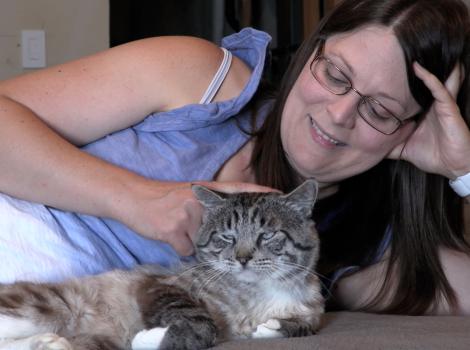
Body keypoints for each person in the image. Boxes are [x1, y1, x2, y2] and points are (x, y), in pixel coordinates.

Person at [0, 0, 468, 316]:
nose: (339, 113)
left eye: (379, 110)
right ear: (312, 53)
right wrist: (138, 200)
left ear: (409, 130)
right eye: (335, 74)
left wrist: (462, 171)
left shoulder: (366, 240)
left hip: (49, 314)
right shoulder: (202, 77)